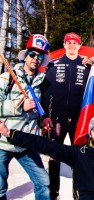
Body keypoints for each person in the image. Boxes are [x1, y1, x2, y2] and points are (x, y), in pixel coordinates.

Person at [40, 32, 94, 199]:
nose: (72, 46)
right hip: (57, 118)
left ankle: (79, 193)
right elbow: (44, 91)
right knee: (54, 155)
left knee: (79, 156)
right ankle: (53, 193)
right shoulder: (54, 64)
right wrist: (45, 116)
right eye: (68, 42)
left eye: (75, 43)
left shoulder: (88, 64)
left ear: (80, 45)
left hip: (80, 118)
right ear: (64, 44)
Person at [0, 34, 50, 199]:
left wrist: (44, 117)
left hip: (26, 142)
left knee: (44, 183)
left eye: (40, 55)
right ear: (26, 55)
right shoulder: (7, 78)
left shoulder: (40, 81)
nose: (36, 58)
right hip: (3, 142)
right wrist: (20, 108)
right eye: (33, 54)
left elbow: (38, 108)